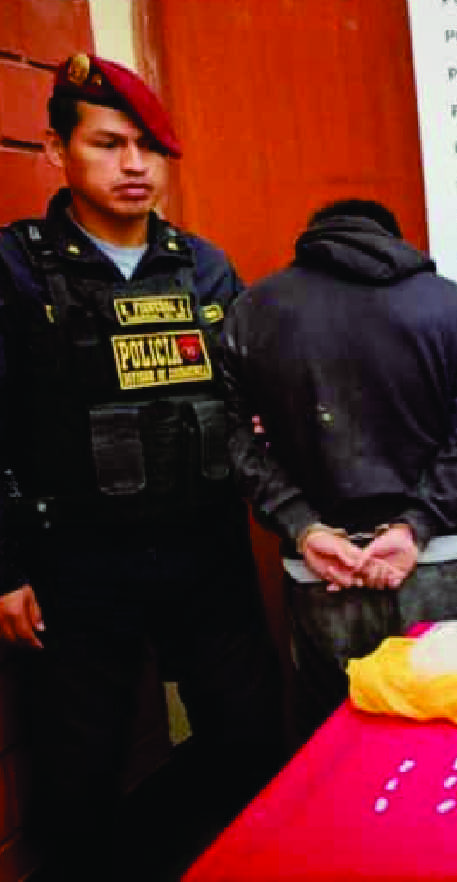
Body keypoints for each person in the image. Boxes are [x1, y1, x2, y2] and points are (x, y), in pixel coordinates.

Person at [0, 54, 282, 877]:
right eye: (109, 144)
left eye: (150, 148)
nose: (134, 166)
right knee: (80, 768)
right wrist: (6, 568)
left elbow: (248, 406)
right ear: (57, 150)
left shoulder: (204, 266)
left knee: (249, 736)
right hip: (75, 560)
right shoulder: (15, 269)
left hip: (205, 546)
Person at [223, 199, 457, 732]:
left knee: (337, 733)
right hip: (440, 555)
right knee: (444, 726)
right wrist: (415, 527)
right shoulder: (449, 304)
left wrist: (303, 526)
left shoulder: (254, 309)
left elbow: (239, 442)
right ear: (393, 241)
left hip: (321, 564)